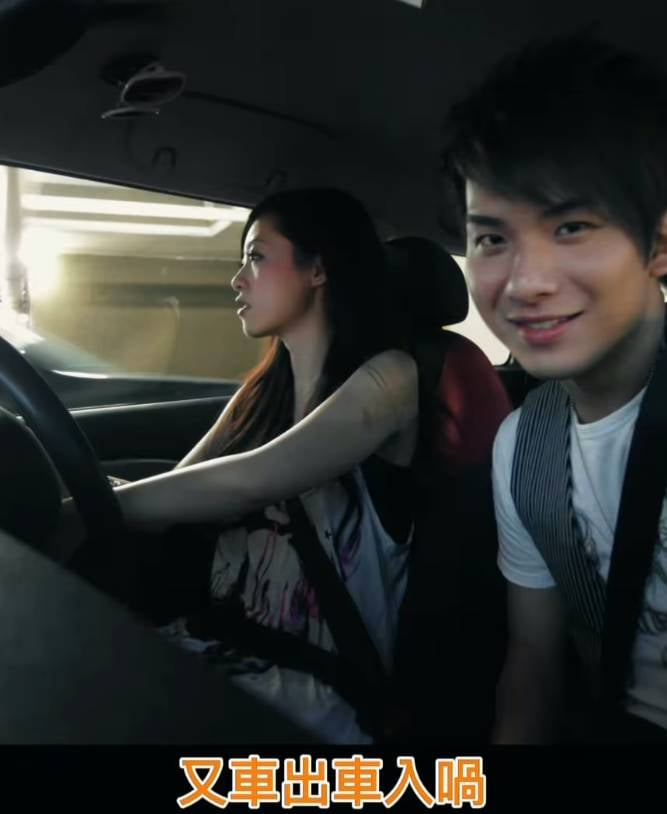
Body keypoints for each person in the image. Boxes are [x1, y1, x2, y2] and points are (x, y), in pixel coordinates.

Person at [113, 188, 418, 743]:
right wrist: (81, 499)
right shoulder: (260, 395)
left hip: (322, 694)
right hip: (220, 651)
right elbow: (177, 492)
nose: (237, 279)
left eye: (256, 257)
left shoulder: (392, 379)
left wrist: (88, 506)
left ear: (318, 269)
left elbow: (248, 482)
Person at [441, 32, 667, 742]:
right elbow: (535, 662)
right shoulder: (524, 445)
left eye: (571, 226)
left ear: (660, 244)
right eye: (492, 239)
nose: (525, 283)